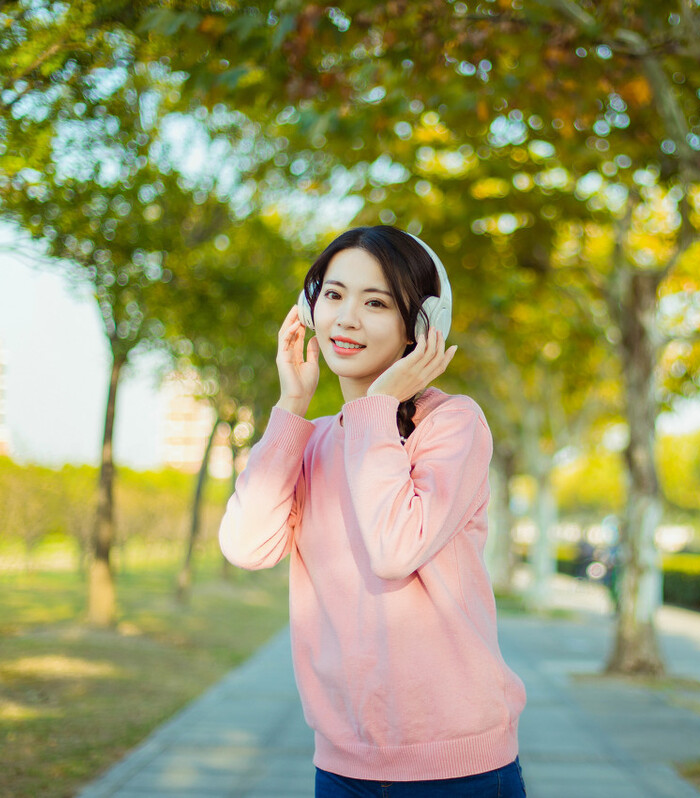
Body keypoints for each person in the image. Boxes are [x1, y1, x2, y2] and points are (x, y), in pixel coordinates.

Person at [218, 225, 528, 797]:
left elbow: (393, 550)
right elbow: (246, 545)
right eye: (332, 295)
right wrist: (291, 406)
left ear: (422, 326)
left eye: (376, 302)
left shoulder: (453, 424)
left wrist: (379, 404)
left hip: (457, 770)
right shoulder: (308, 441)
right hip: (343, 768)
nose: (347, 318)